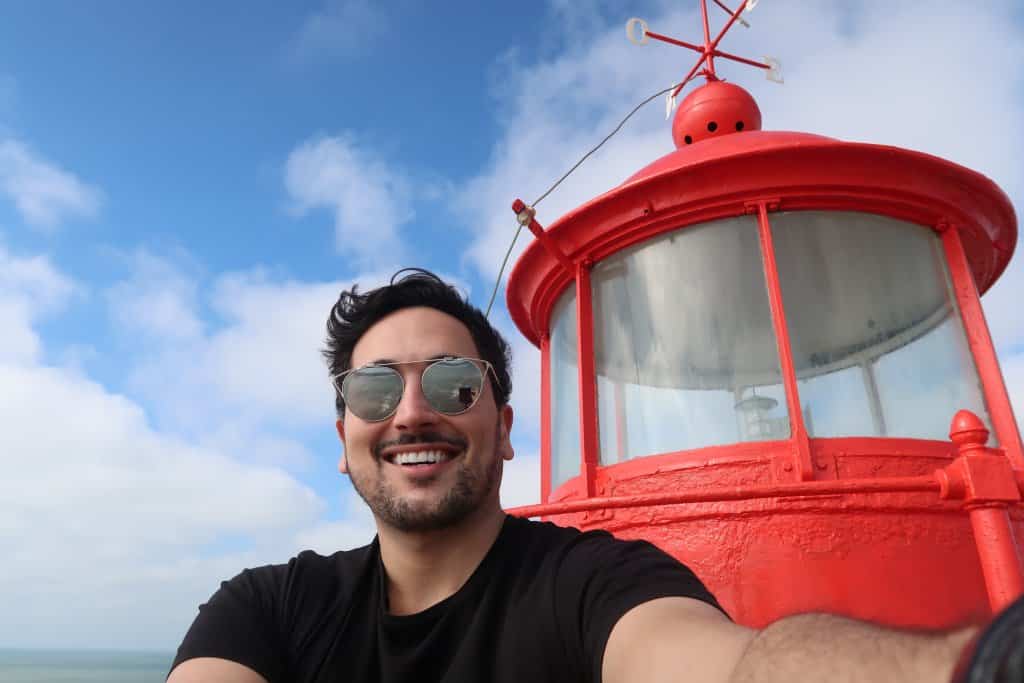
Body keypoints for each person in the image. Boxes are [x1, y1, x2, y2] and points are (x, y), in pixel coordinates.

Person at [168, 269, 978, 683]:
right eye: (375, 389)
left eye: (455, 384)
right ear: (344, 438)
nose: (412, 413)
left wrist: (980, 663)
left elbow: (732, 665)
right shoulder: (266, 609)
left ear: (507, 429)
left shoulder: (597, 584)